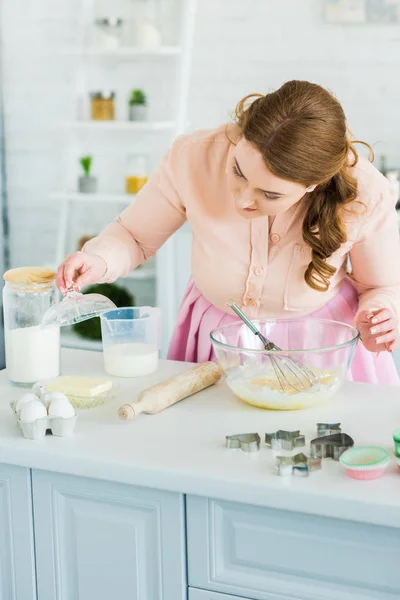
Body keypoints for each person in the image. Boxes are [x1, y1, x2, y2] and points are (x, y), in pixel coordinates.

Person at [56, 80, 400, 384]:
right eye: (238, 171)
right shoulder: (193, 157)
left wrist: (380, 315)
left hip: (323, 345)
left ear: (314, 184)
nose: (243, 199)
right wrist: (98, 260)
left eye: (270, 194)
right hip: (214, 340)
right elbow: (133, 235)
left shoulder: (366, 192)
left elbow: (380, 286)